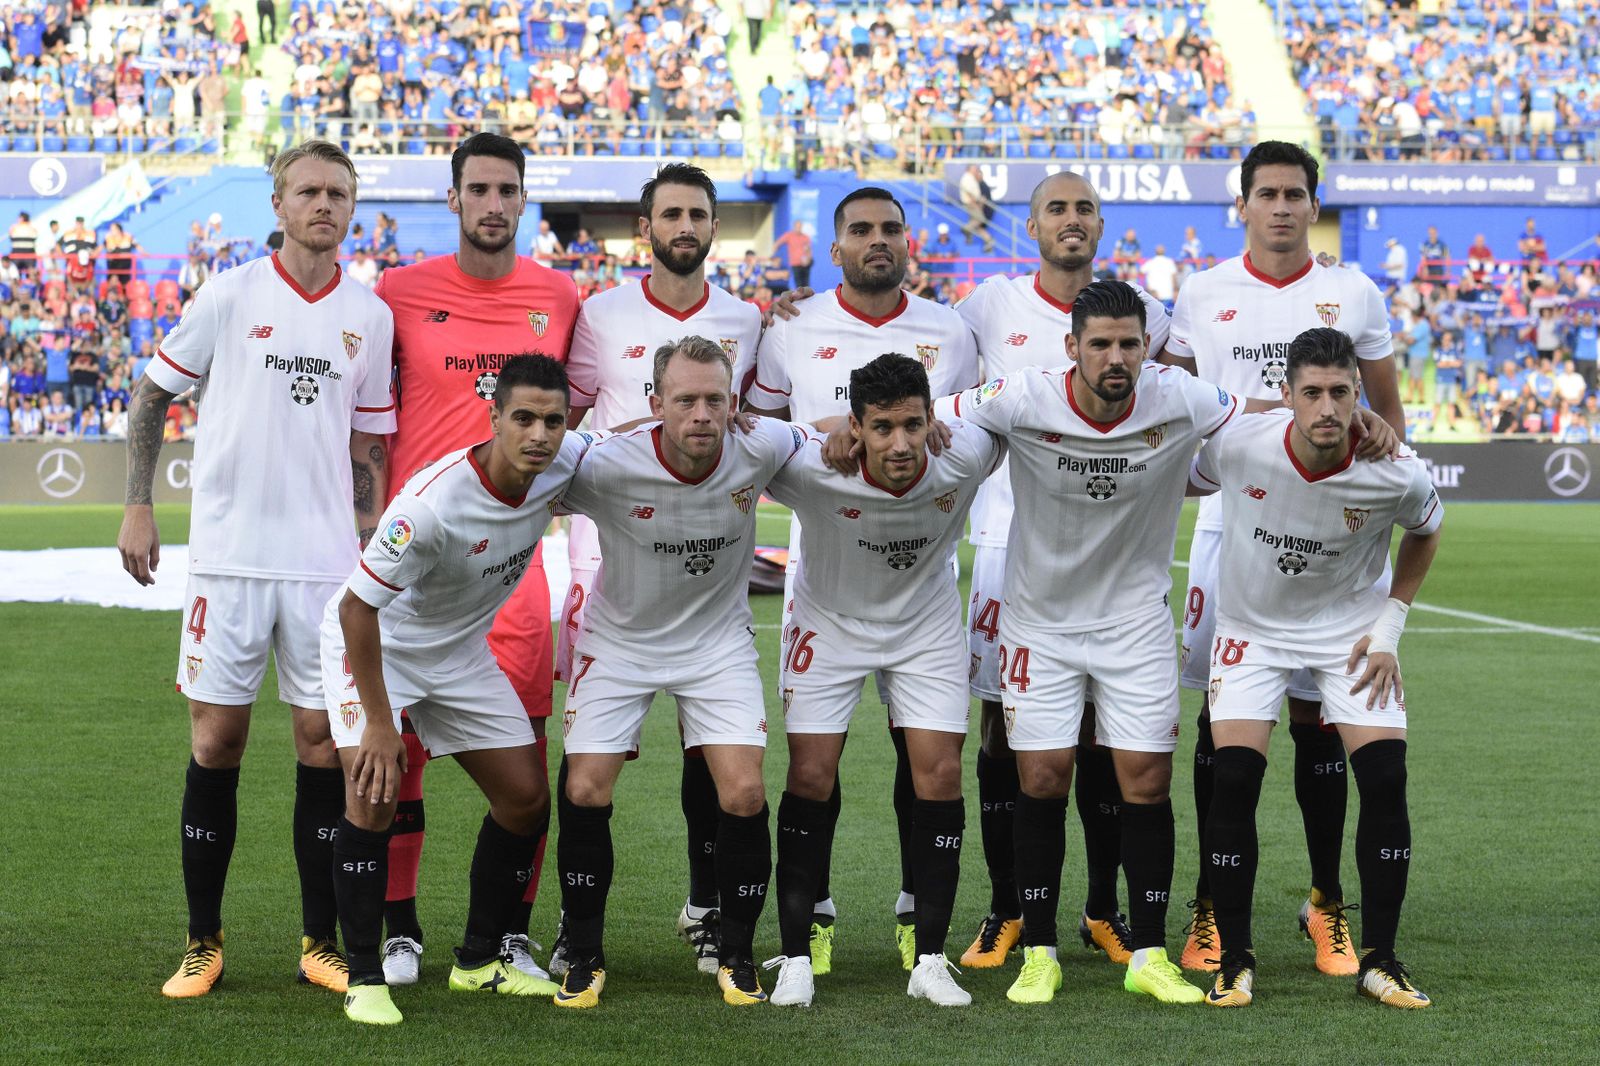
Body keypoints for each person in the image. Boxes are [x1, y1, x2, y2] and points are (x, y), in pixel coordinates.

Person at [116, 140, 396, 999]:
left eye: (339, 193)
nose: (325, 204)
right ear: (277, 205)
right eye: (308, 190)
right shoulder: (231, 294)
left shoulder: (368, 314)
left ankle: (320, 940)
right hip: (230, 560)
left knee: (320, 746)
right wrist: (138, 502)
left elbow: (366, 443)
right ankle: (204, 940)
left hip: (321, 570)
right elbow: (152, 393)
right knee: (217, 740)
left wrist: (372, 535)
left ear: (353, 209)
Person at [933, 280, 1251, 1007]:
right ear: (1070, 346)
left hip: (1134, 623)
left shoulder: (1180, 397)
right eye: (1100, 343)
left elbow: (1255, 427)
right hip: (1038, 622)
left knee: (1144, 781)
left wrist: (1353, 422)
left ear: (1147, 346)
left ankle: (1148, 952)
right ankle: (1039, 951)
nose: (1116, 357)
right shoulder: (1021, 395)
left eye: (1129, 343)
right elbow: (933, 414)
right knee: (1040, 777)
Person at [1165, 140, 1406, 976]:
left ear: (1313, 205)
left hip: (1331, 538)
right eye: (1264, 193)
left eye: (1294, 194)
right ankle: (1209, 907)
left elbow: (1388, 415)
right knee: (1218, 713)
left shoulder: (1353, 290)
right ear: (1242, 206)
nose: (1279, 207)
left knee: (1319, 716)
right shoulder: (1201, 292)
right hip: (1232, 527)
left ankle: (1326, 902)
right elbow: (1176, 399)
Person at [746, 186, 979, 975]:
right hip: (830, 581)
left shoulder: (950, 328)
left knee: (930, 761)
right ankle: (810, 920)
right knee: (814, 766)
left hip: (923, 582)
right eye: (860, 230)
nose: (877, 240)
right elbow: (765, 438)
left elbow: (965, 427)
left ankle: (922, 917)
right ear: (834, 245)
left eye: (890, 229)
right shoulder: (791, 328)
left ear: (908, 242)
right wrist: (830, 436)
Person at [322, 355, 593, 1025]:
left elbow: (638, 437)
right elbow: (356, 609)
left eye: (552, 421)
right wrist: (382, 726)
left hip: (459, 654)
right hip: (379, 647)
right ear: (493, 416)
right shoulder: (431, 504)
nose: (538, 434)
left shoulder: (562, 460)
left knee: (525, 799)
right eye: (523, 418)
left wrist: (722, 418)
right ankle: (363, 976)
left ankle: (476, 963)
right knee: (373, 795)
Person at [371, 131, 581, 986]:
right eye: (479, 189)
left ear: (523, 201)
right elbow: (365, 414)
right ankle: (396, 928)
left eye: (508, 190)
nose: (494, 204)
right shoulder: (396, 292)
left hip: (513, 568)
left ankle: (504, 939)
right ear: (453, 199)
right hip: (415, 558)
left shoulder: (561, 295)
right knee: (397, 754)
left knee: (526, 758)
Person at [946, 171, 1170, 972]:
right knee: (1005, 736)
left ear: (1101, 224)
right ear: (1031, 225)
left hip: (1109, 558)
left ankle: (1103, 909)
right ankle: (1009, 907)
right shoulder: (986, 309)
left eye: (1083, 209)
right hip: (1009, 547)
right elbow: (933, 376)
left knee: (1109, 740)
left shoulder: (1147, 315)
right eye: (1056, 210)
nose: (1070, 221)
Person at [552, 337, 809, 1009]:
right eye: (685, 400)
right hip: (621, 640)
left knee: (745, 794)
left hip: (714, 643)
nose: (701, 414)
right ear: (654, 403)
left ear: (735, 404)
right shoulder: (605, 462)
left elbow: (836, 436)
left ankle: (736, 954)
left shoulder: (762, 445)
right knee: (584, 791)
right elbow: (527, 469)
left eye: (715, 400)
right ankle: (582, 952)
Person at [1191, 327, 1443, 1010]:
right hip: (1251, 631)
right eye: (1313, 392)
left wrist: (1391, 623)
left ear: (1359, 394)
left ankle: (1381, 960)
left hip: (1347, 634)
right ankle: (1235, 958)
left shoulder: (1396, 470)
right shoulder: (1240, 444)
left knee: (1386, 777)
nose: (1327, 408)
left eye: (1340, 392)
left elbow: (1427, 528)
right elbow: (1175, 469)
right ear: (1287, 395)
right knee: (1234, 777)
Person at [559, 162, 763, 978]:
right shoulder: (600, 313)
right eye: (671, 213)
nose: (685, 226)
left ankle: (710, 904)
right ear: (646, 226)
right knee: (591, 769)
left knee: (706, 754)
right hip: (609, 553)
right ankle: (582, 934)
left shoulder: (748, 318)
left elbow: (761, 426)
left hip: (708, 558)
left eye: (699, 214)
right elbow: (569, 420)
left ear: (714, 227)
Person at [764, 354, 1003, 1008]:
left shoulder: (965, 452)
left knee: (941, 774)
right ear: (857, 427)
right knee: (810, 775)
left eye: (913, 425)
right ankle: (795, 959)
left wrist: (949, 414)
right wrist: (821, 428)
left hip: (923, 627)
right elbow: (753, 429)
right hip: (830, 623)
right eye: (882, 428)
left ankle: (929, 960)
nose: (900, 444)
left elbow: (1013, 407)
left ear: (930, 419)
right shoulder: (815, 463)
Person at [959, 165, 995, 253]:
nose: (976, 172)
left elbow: (982, 198)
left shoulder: (980, 184)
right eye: (975, 170)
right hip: (975, 205)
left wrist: (978, 205)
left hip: (982, 207)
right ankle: (968, 230)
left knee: (978, 223)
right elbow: (970, 193)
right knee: (979, 223)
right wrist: (976, 204)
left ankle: (968, 232)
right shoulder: (968, 179)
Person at [772, 220, 814, 290]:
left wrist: (808, 259)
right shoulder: (789, 235)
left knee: (806, 284)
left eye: (800, 226)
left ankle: (808, 300)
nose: (798, 228)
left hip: (805, 264)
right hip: (795, 264)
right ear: (794, 227)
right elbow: (778, 243)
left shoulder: (805, 237)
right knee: (798, 285)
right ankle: (800, 300)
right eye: (797, 226)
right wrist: (774, 253)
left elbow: (809, 250)